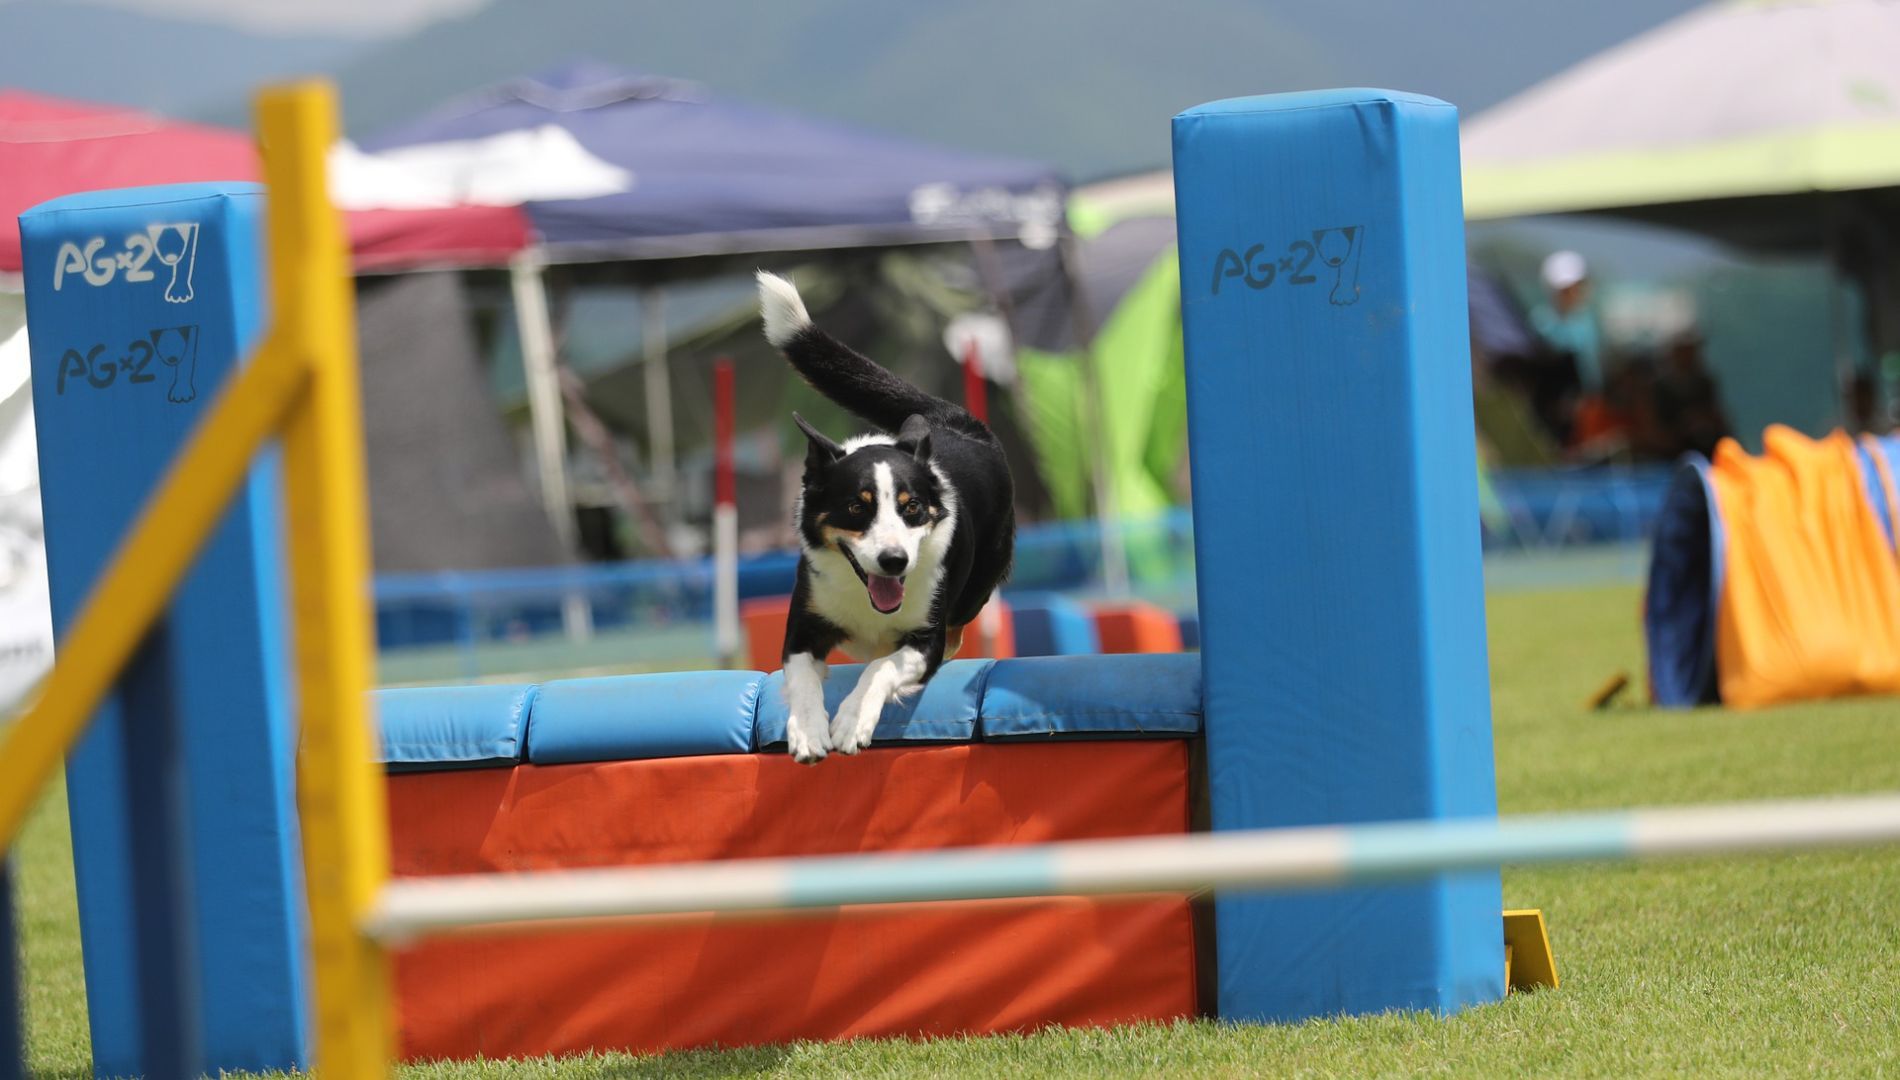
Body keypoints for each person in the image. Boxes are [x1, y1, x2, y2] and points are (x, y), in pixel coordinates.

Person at [1530, 250, 1605, 397]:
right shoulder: (1540, 322)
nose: (1576, 293)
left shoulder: (1588, 321)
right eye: (1567, 289)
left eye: (1579, 286)